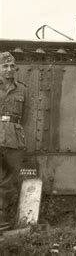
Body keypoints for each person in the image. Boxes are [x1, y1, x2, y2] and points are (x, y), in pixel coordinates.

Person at [0, 52, 27, 226]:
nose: (9, 69)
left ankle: (4, 219)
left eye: (12, 66)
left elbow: (26, 117)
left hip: (14, 139)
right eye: (5, 66)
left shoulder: (22, 89)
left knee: (10, 180)